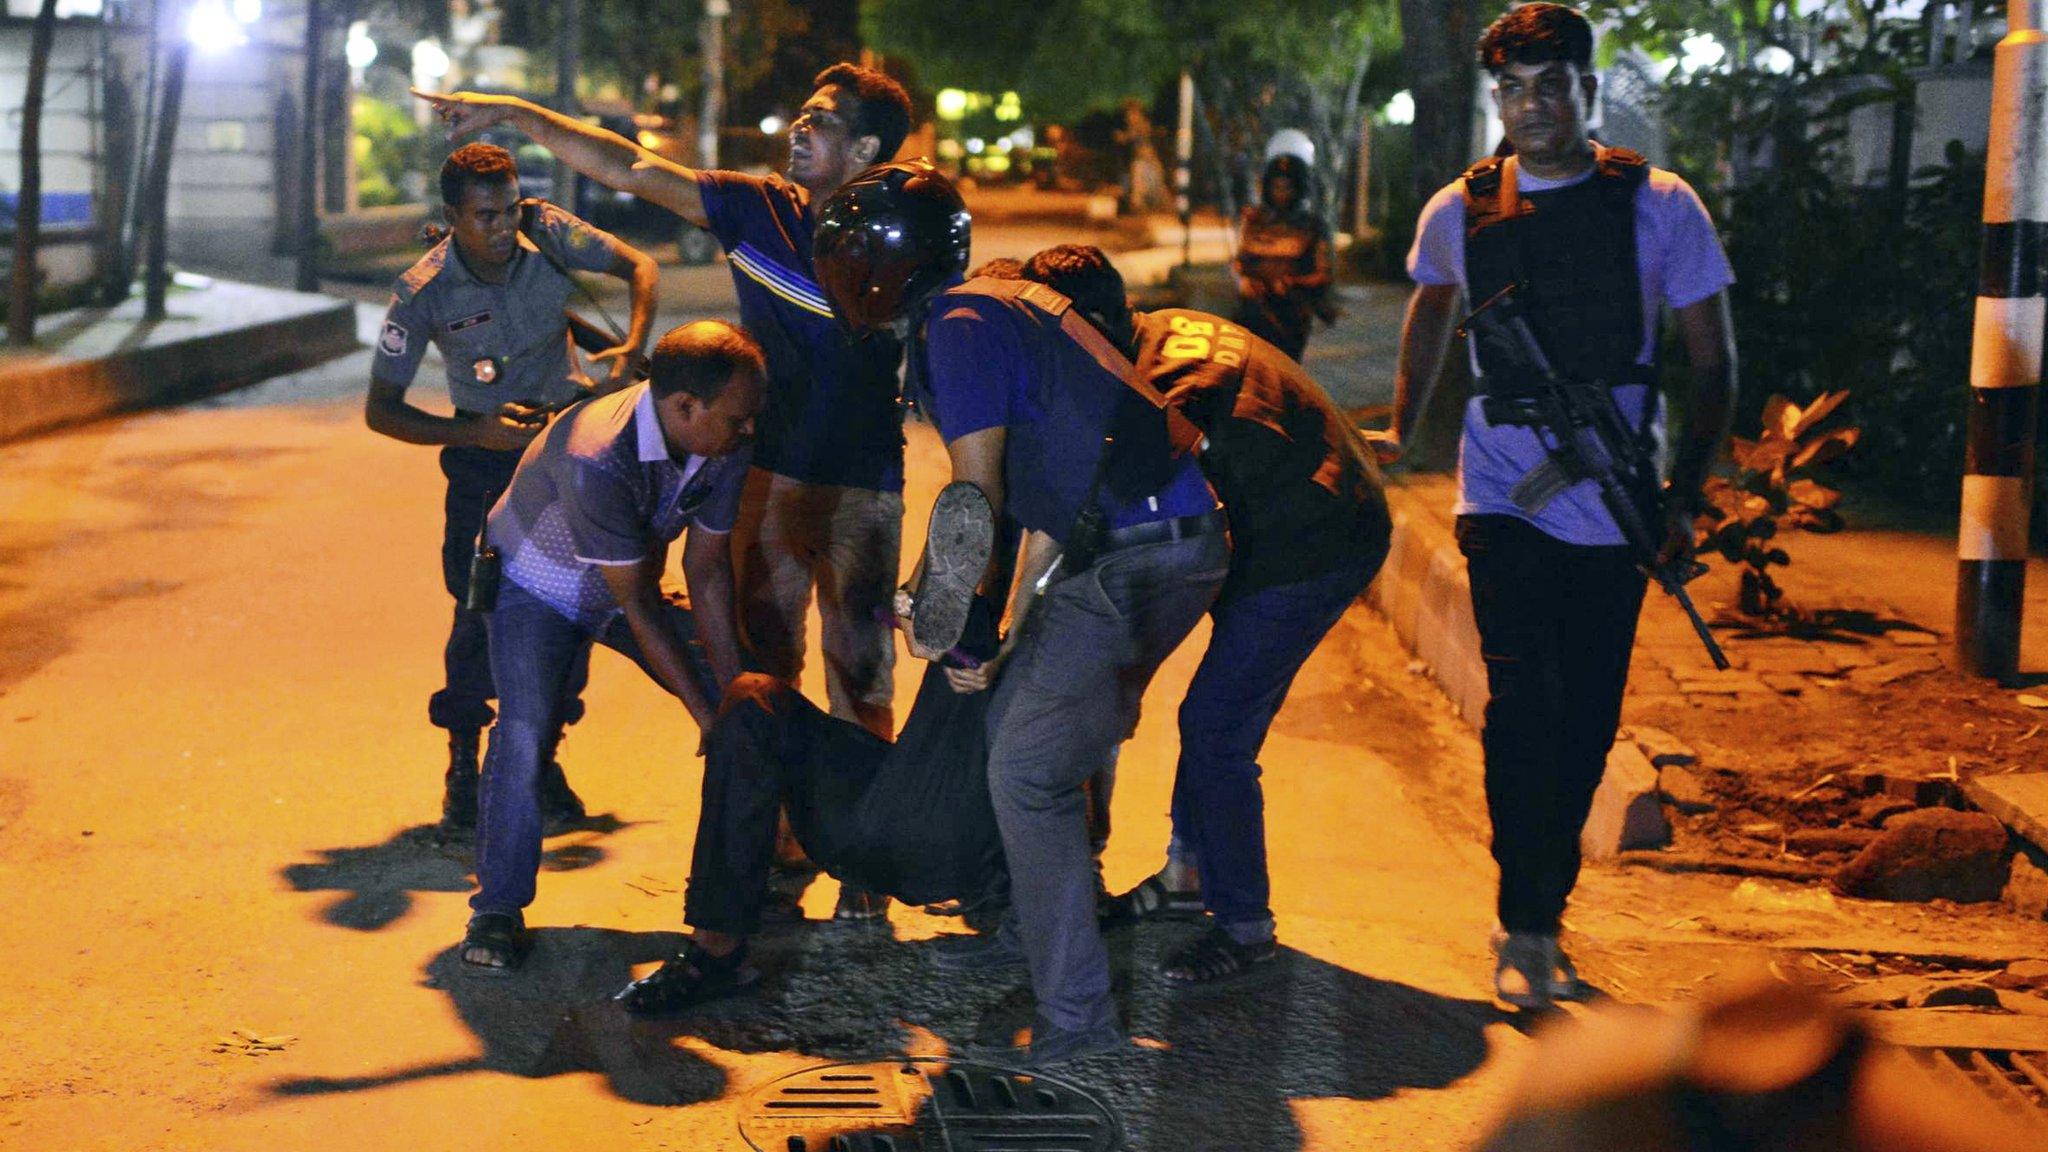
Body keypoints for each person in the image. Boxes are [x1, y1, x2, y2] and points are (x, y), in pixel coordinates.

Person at [421, 65, 915, 922]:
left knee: (862, 678)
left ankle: (866, 862)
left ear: (867, 149)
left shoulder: (902, 235)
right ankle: (778, 839)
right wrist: (516, 111)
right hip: (760, 473)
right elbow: (632, 169)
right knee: (765, 667)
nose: (798, 129)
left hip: (865, 488)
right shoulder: (757, 210)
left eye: (822, 122)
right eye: (799, 114)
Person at [813, 161, 1231, 1068]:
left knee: (1028, 772)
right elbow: (1049, 490)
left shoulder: (957, 324)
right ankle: (1028, 928)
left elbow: (976, 497)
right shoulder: (998, 308)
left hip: (1137, 553)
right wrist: (986, 632)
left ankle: (1081, 1025)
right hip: (1149, 536)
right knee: (1014, 728)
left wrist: (962, 627)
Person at [1374, 3, 1737, 1009]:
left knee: (1583, 724)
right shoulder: (1461, 209)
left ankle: (1543, 907)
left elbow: (1713, 363)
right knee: (1521, 709)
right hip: (1500, 502)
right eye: (1510, 88)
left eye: (1549, 85)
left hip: (1618, 504)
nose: (1528, 107)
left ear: (1589, 88)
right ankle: (1524, 926)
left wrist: (1684, 495)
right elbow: (1429, 309)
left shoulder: (1659, 205)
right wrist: (1405, 434)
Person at [1018, 245, 1393, 985]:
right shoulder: (1165, 325)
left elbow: (1111, 510)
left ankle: (1245, 925)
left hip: (1311, 542)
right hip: (1309, 509)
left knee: (1215, 729)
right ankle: (1188, 878)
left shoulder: (1154, 389)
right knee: (1207, 717)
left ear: (1087, 326)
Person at [366, 142, 659, 834]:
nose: (503, 228)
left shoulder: (548, 229)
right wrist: (476, 434)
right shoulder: (423, 291)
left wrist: (631, 347)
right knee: (479, 611)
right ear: (451, 217)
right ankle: (464, 761)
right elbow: (381, 411)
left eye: (508, 211)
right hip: (486, 461)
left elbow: (640, 268)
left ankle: (544, 755)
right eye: (484, 217)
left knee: (575, 606)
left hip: (571, 450)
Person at [456, 321, 763, 977]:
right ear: (684, 407)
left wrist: (731, 696)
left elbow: (709, 571)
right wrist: (704, 715)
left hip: (626, 582)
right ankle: (497, 910)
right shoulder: (599, 454)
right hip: (535, 586)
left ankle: (732, 903)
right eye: (737, 419)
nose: (748, 432)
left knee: (753, 710)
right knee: (524, 729)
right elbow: (639, 607)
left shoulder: (727, 439)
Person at [1232, 153, 1335, 363]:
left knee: (1284, 370)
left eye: (1287, 187)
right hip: (1253, 311)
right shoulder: (1255, 221)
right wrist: (1249, 280)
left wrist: (1290, 284)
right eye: (1276, 187)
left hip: (1290, 314)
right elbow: (1241, 261)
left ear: (1297, 189)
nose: (1281, 193)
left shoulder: (1312, 225)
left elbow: (1323, 273)